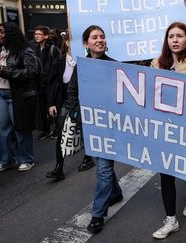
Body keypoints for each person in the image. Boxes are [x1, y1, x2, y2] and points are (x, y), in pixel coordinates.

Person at [61, 25, 123, 234]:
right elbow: (72, 92)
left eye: (102, 37)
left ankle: (98, 214)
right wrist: (76, 113)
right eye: (95, 37)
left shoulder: (115, 67)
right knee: (101, 163)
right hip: (89, 125)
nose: (99, 40)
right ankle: (115, 192)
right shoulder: (81, 67)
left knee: (103, 168)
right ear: (86, 43)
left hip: (108, 127)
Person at [151, 2, 186, 239]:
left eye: (179, 36)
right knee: (166, 172)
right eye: (171, 36)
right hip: (166, 126)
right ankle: (171, 219)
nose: (175, 40)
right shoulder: (156, 63)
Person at [44, 32, 94, 181]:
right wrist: (51, 103)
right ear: (66, 43)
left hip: (85, 100)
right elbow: (51, 83)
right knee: (61, 132)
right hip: (66, 100)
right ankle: (59, 167)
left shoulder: (88, 61)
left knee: (86, 130)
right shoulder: (59, 61)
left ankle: (88, 157)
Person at [0, 22, 39, 173]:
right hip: (0, 94)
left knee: (21, 129)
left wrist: (6, 72)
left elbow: (32, 72)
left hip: (18, 95)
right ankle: (6, 160)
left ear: (11, 33)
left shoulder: (24, 51)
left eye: (1, 32)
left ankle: (26, 159)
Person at [33, 25, 61, 139]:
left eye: (39, 34)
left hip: (51, 82)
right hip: (40, 83)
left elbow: (57, 66)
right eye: (35, 34)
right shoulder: (34, 49)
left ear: (46, 36)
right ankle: (46, 130)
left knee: (52, 105)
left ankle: (56, 129)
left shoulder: (52, 48)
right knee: (42, 106)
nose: (36, 36)